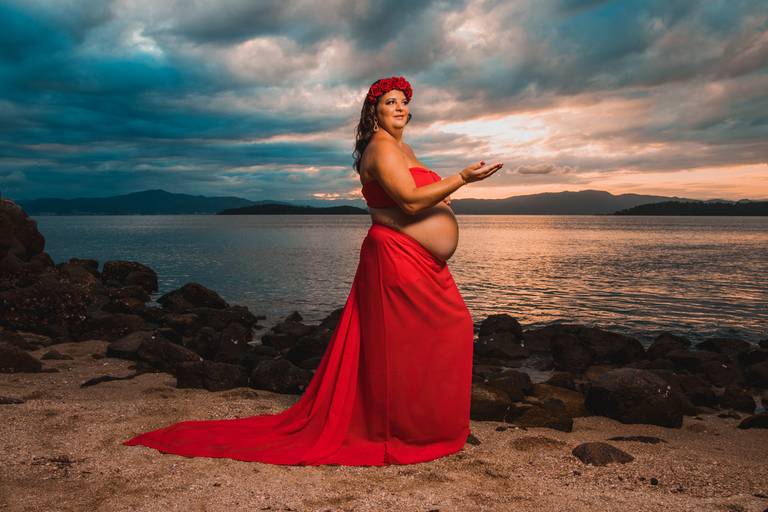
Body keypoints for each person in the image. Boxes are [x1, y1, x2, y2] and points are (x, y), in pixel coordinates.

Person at [122, 75, 503, 466]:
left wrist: (444, 200)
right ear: (374, 111)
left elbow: (416, 196)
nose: (400, 107)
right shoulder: (380, 148)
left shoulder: (404, 147)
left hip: (421, 258)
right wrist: (460, 179)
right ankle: (404, 430)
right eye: (390, 102)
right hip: (397, 255)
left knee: (439, 332)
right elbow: (407, 202)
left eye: (404, 101)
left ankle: (426, 425)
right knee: (413, 340)